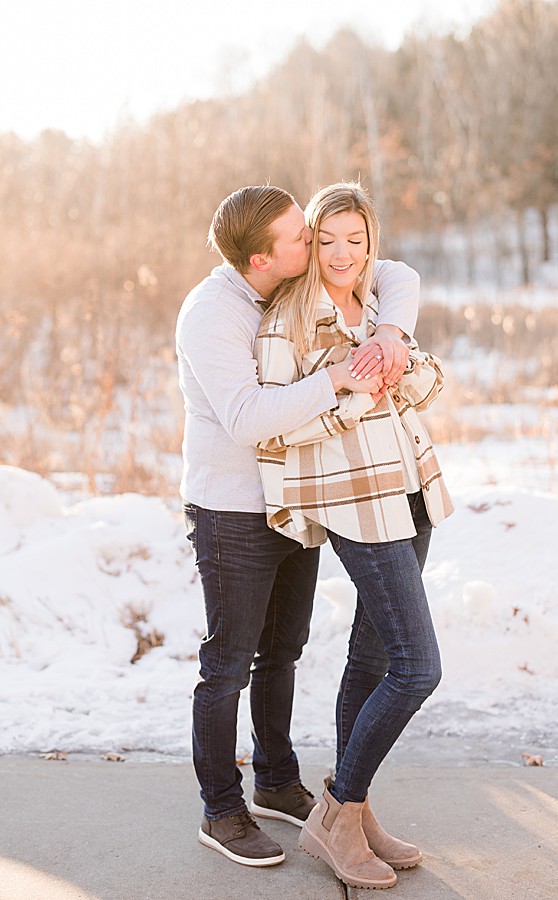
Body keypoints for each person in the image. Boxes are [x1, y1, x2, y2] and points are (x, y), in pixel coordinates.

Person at [177, 184, 419, 868]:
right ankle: (221, 810)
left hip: (294, 498)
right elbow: (250, 417)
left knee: (282, 651)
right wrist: (341, 377)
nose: (314, 243)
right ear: (261, 259)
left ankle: (277, 781)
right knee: (226, 664)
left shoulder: (283, 288)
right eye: (300, 237)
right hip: (231, 510)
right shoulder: (211, 315)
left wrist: (393, 333)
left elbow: (395, 273)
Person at [254, 181, 453, 891]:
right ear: (311, 242)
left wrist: (403, 363)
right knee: (417, 666)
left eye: (356, 240)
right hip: (357, 504)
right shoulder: (288, 321)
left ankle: (355, 808)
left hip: (410, 491)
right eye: (328, 239)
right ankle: (336, 814)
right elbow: (272, 427)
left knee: (371, 659)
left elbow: (427, 390)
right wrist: (350, 396)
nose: (342, 254)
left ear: (371, 243)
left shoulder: (376, 308)